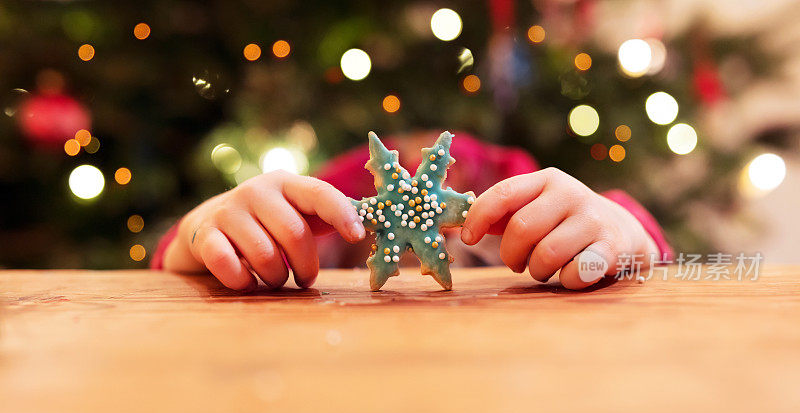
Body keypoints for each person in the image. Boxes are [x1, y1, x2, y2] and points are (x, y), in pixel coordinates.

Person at [151, 131, 671, 290]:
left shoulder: (537, 227)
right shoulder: (321, 233)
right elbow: (175, 259)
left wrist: (623, 227)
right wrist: (204, 223)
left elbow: (636, 241)